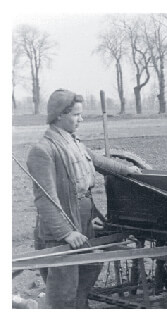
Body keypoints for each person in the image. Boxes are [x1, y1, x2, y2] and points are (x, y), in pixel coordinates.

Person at [26, 89, 141, 308]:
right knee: (64, 286)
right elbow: (45, 198)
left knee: (88, 269)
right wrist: (66, 232)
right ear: (60, 115)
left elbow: (98, 161)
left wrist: (128, 170)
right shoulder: (43, 150)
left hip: (86, 220)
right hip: (63, 228)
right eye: (76, 115)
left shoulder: (74, 143)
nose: (81, 119)